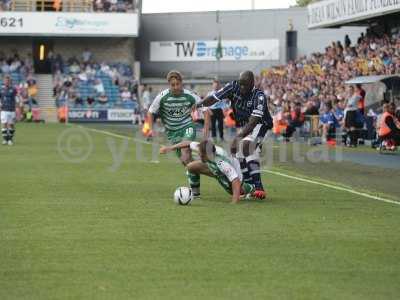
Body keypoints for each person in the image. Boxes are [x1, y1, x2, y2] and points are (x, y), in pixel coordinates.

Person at [198, 71, 273, 199]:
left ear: (252, 84)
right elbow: (214, 97)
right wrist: (199, 104)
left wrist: (237, 138)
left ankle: (259, 187)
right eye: (241, 84)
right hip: (243, 125)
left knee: (246, 146)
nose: (242, 88)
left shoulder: (259, 96)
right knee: (238, 153)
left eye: (245, 85)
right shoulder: (233, 86)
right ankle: (249, 186)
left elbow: (253, 121)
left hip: (260, 124)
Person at [148, 70, 206, 197]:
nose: (175, 87)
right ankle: (196, 188)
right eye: (172, 85)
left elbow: (205, 108)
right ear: (169, 84)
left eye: (178, 84)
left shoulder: (190, 95)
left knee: (186, 154)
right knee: (187, 162)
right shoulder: (162, 96)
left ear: (181, 83)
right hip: (173, 133)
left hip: (187, 127)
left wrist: (206, 128)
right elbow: (150, 112)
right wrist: (151, 129)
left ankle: (203, 177)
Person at [160, 140, 255, 203]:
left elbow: (235, 180)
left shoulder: (221, 162)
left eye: (201, 155)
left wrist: (234, 201)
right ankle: (195, 195)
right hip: (215, 168)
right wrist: (169, 148)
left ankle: (252, 188)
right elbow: (188, 143)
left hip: (234, 176)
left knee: (236, 191)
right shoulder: (203, 148)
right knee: (191, 166)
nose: (199, 156)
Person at [0, 75, 17, 146]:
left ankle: (10, 139)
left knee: (11, 125)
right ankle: (5, 139)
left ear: (10, 81)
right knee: (4, 124)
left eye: (8, 80)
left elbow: (16, 98)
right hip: (4, 109)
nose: (6, 82)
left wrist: (17, 107)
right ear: (4, 81)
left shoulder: (13, 89)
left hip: (11, 109)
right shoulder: (1, 89)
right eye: (5, 80)